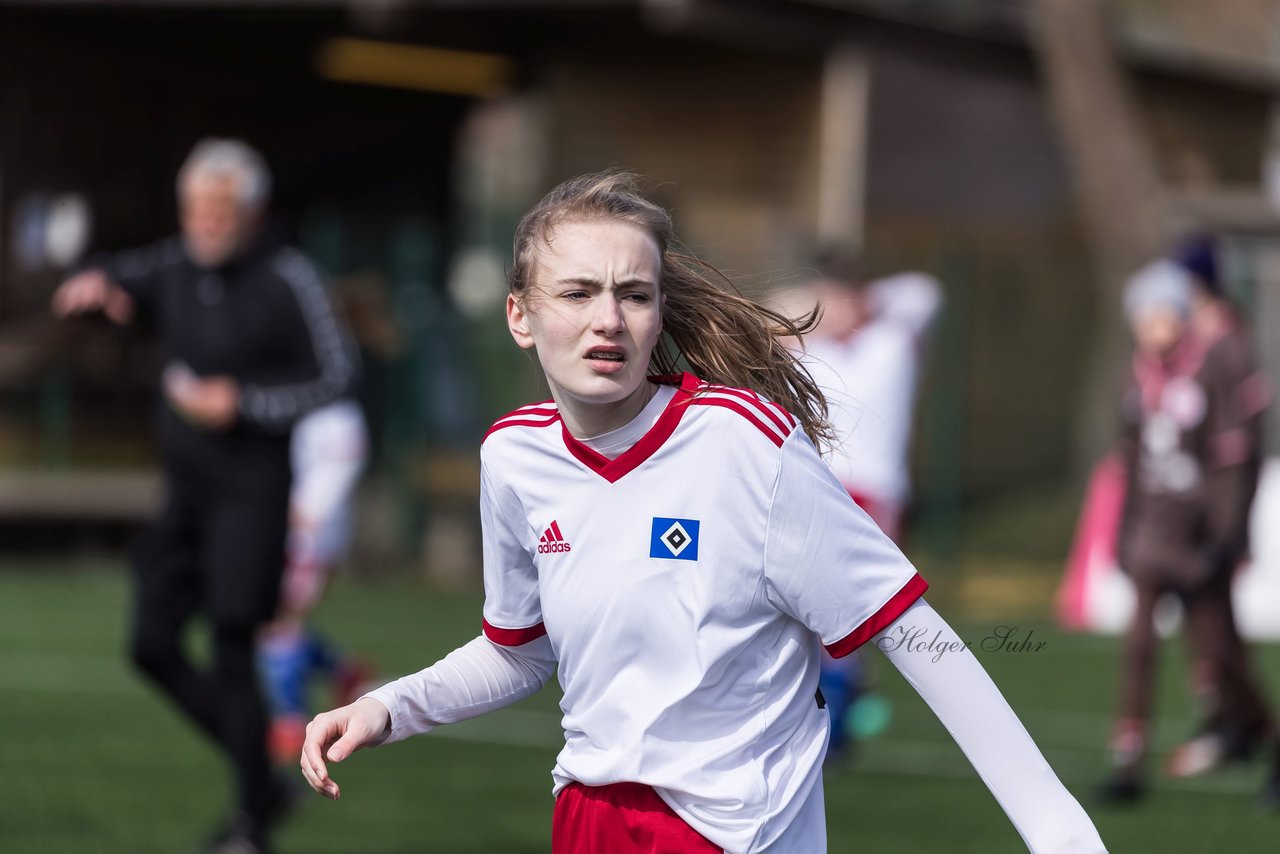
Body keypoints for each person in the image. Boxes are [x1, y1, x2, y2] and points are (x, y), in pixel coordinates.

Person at [299, 172, 1106, 852]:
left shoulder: (745, 448)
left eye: (634, 294)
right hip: (587, 819)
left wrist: (1057, 829)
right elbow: (521, 650)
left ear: (657, 313)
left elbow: (915, 633)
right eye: (576, 293)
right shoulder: (512, 458)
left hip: (740, 831)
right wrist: (386, 706)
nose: (607, 319)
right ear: (520, 315)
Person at [52, 138, 355, 853]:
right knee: (149, 644)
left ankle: (251, 823)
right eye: (198, 211)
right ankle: (263, 777)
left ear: (251, 213)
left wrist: (243, 403)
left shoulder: (289, 276)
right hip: (183, 495)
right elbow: (118, 274)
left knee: (229, 643)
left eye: (222, 211)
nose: (208, 224)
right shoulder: (173, 264)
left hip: (251, 498)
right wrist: (93, 282)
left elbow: (337, 375)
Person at [1097, 256, 1277, 806]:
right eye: (1144, 317)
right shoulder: (1136, 376)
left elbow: (1228, 460)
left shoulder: (1208, 370)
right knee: (1139, 649)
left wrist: (1225, 534)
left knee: (1220, 658)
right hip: (1152, 536)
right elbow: (1129, 461)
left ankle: (1269, 740)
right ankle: (1128, 763)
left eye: (1164, 316)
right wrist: (1121, 536)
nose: (1154, 328)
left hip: (1196, 541)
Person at [1158, 237, 1278, 799]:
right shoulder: (1194, 340)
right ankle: (1234, 726)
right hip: (1192, 512)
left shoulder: (1225, 343)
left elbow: (1238, 448)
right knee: (1210, 633)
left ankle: (1259, 732)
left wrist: (1230, 529)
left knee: (1220, 637)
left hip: (1216, 515)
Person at [259, 394, 372, 766]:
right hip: (298, 528)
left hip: (310, 533)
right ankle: (345, 672)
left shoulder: (337, 414)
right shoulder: (297, 403)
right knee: (274, 618)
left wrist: (306, 511)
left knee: (277, 619)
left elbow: (341, 466)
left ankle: (291, 721)